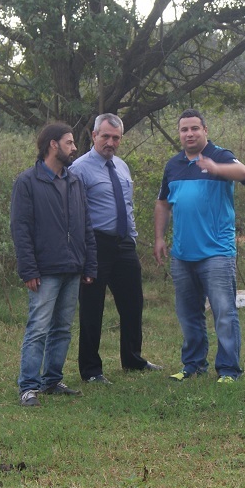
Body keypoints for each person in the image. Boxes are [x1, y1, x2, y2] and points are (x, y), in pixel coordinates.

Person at [154, 109, 245, 382]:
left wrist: (216, 168)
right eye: (184, 130)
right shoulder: (173, 165)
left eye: (195, 128)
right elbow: (162, 202)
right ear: (179, 133)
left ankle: (229, 370)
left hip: (216, 253)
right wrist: (160, 238)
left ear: (205, 130)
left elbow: (242, 171)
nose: (190, 134)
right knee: (188, 315)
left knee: (224, 313)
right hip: (182, 254)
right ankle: (193, 365)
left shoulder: (219, 156)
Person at [67, 113, 161, 384]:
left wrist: (131, 237)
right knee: (92, 308)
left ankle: (132, 359)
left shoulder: (121, 166)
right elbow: (74, 215)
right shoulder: (79, 169)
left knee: (133, 303)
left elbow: (127, 206)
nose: (110, 142)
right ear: (94, 135)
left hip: (123, 244)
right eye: (105, 136)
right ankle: (91, 370)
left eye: (116, 137)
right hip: (95, 245)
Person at [10, 122, 97, 407]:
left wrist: (89, 265)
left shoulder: (74, 182)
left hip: (73, 268)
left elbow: (86, 226)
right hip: (44, 271)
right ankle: (28, 387)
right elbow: (20, 229)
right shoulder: (27, 182)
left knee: (62, 328)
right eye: (70, 143)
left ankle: (52, 380)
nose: (75, 148)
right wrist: (29, 269)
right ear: (53, 145)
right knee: (38, 328)